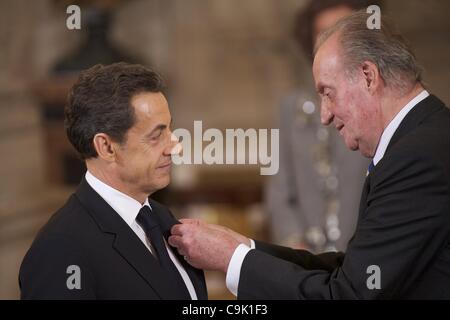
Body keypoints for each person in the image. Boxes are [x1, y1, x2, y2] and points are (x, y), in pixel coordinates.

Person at [169, 11, 450, 299]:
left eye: (328, 93)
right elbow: (350, 270)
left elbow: (348, 294)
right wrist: (244, 249)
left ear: (368, 76)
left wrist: (232, 260)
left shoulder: (416, 158)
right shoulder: (420, 138)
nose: (324, 115)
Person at [19, 63, 207, 299]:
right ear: (106, 147)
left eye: (170, 129)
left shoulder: (162, 218)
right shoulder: (61, 249)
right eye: (156, 136)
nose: (175, 146)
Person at [266, 0, 375, 252]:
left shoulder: (376, 105)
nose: (333, 41)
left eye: (343, 30)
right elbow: (279, 190)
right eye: (323, 32)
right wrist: (295, 245)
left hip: (364, 255)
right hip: (308, 263)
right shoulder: (290, 108)